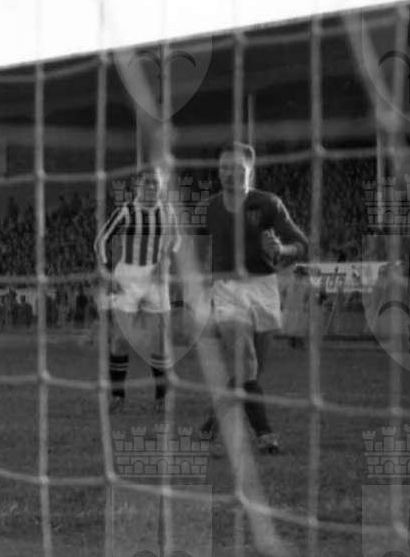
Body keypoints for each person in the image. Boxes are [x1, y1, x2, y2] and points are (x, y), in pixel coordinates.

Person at [194, 143, 309, 455]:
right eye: (223, 167)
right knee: (246, 361)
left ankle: (212, 422)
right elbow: (196, 253)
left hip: (263, 288)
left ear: (250, 170)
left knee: (250, 372)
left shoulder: (268, 204)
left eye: (236, 167)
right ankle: (265, 435)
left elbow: (301, 244)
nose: (228, 173)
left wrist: (282, 250)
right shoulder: (207, 209)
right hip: (226, 289)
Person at [95, 163, 182, 412]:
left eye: (155, 183)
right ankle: (117, 396)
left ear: (161, 186)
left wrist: (165, 261)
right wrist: (106, 271)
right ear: (137, 186)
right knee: (120, 340)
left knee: (159, 342)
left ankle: (161, 397)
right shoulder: (126, 211)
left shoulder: (167, 212)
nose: (151, 187)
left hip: (156, 281)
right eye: (147, 182)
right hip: (127, 279)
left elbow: (176, 240)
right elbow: (101, 241)